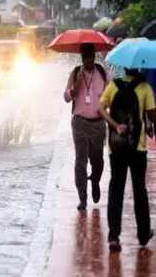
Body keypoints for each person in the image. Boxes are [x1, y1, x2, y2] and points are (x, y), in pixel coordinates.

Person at [99, 68, 156, 252]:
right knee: (139, 189)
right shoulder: (145, 87)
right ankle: (143, 233)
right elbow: (153, 115)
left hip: (116, 147)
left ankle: (114, 237)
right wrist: (148, 123)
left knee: (116, 188)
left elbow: (100, 108)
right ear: (139, 68)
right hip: (137, 148)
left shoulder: (113, 86)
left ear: (124, 68)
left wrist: (115, 125)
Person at [64, 43, 108, 211]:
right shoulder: (75, 73)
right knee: (80, 161)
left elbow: (111, 93)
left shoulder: (103, 73)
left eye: (90, 57)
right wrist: (73, 89)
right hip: (79, 123)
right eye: (84, 57)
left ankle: (95, 180)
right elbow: (66, 97)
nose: (87, 60)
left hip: (98, 123)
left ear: (94, 56)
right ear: (81, 57)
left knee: (97, 160)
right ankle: (82, 198)